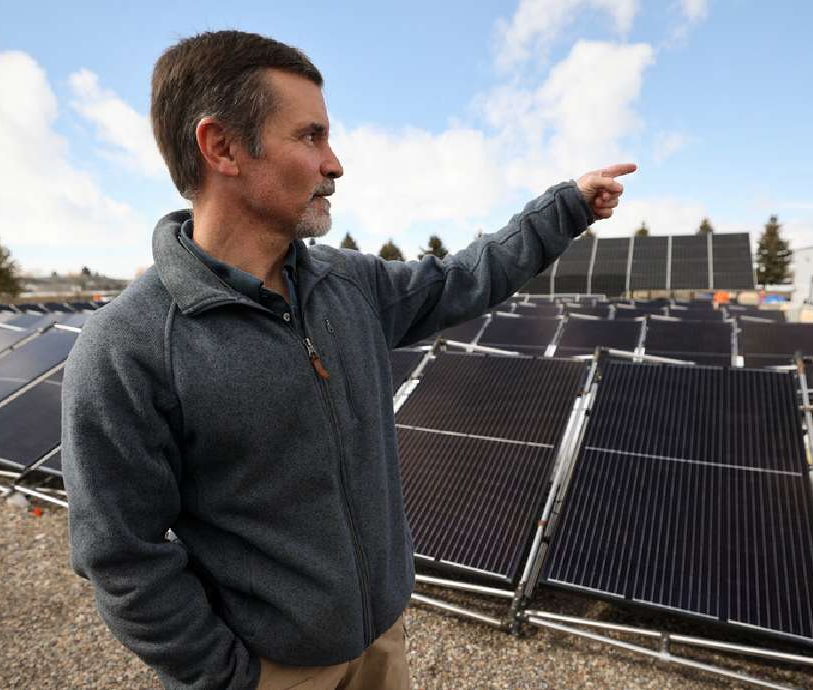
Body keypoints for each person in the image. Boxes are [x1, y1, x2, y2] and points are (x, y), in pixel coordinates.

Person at [61, 30, 634, 690]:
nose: (334, 164)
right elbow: (120, 554)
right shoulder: (129, 347)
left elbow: (460, 278)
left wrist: (565, 207)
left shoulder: (348, 285)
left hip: (380, 641)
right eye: (309, 137)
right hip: (270, 671)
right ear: (221, 147)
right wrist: (228, 678)